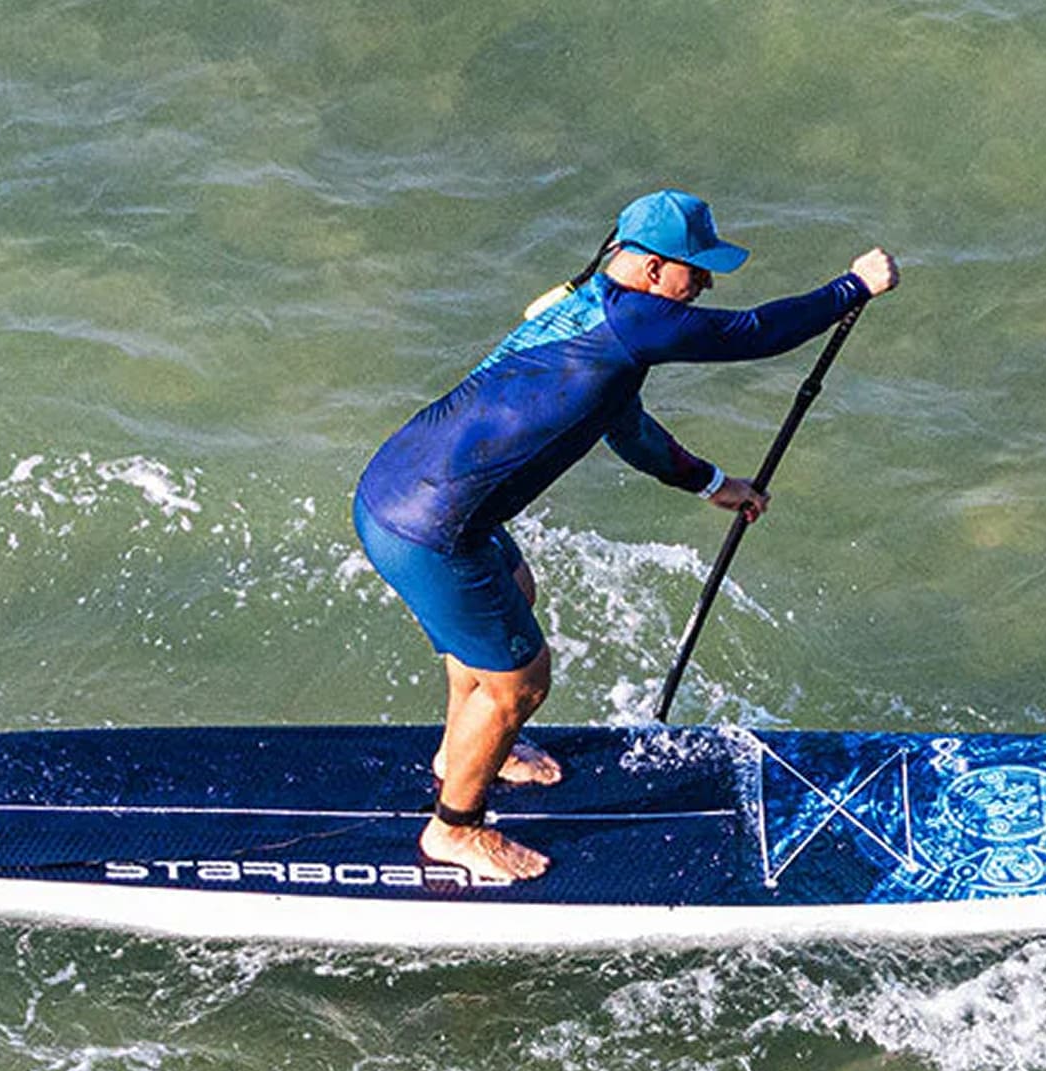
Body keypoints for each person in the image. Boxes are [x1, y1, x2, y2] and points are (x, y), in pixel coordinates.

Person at [354, 189, 898, 880]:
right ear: (645, 270)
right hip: (432, 528)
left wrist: (710, 483)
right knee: (520, 684)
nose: (700, 285)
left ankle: (457, 751)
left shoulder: (590, 320)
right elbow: (754, 333)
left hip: (397, 490)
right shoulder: (637, 321)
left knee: (510, 596)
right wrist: (853, 287)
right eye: (693, 271)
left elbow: (628, 428)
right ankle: (455, 829)